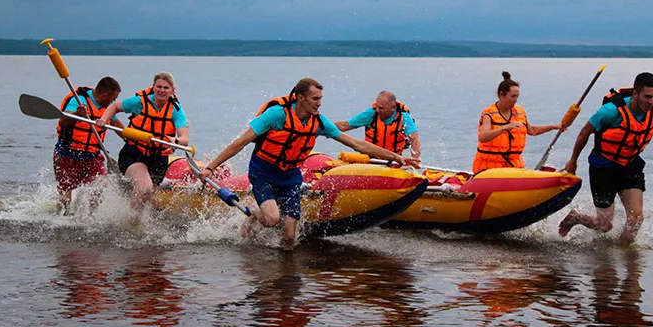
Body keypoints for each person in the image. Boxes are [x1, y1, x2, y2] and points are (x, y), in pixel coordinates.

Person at [198, 78, 421, 249]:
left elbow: (356, 144)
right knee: (273, 218)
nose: (319, 104)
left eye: (320, 100)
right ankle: (255, 213)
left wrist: (396, 157)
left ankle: (284, 279)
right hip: (263, 171)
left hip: (290, 175)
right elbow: (241, 143)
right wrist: (211, 167)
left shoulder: (318, 122)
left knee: (288, 236)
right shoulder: (277, 115)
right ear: (301, 98)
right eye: (315, 99)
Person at [558, 72, 653, 244]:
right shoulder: (611, 111)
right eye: (647, 96)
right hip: (603, 166)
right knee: (604, 225)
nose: (652, 102)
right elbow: (584, 133)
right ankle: (576, 217)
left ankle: (622, 255)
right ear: (635, 93)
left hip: (630, 165)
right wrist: (573, 161)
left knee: (636, 220)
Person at [96, 72, 189, 209]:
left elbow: (184, 139)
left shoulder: (176, 110)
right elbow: (115, 106)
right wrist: (104, 119)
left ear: (172, 91)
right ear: (153, 87)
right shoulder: (140, 102)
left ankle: (135, 218)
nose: (162, 90)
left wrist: (176, 140)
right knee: (144, 187)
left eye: (166, 88)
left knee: (148, 198)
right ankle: (130, 223)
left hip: (158, 160)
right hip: (134, 153)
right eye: (159, 87)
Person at [53, 76, 124, 211]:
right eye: (113, 98)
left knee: (99, 186)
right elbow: (63, 121)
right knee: (65, 192)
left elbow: (116, 125)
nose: (114, 102)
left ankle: (91, 216)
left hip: (92, 155)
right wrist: (77, 114)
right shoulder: (77, 100)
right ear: (104, 95)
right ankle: (62, 217)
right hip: (68, 153)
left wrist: (131, 138)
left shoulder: (107, 107)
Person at [472, 71, 563, 173]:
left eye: (517, 96)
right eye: (513, 96)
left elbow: (532, 130)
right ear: (501, 95)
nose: (515, 100)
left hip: (513, 167)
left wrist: (552, 127)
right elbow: (483, 137)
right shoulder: (489, 114)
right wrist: (505, 127)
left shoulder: (520, 112)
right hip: (489, 169)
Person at [333, 90, 421, 159]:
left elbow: (414, 140)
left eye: (381, 108)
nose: (378, 110)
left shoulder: (404, 118)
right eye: (377, 106)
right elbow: (345, 125)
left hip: (394, 160)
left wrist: (414, 159)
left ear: (393, 108)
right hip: (370, 159)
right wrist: (324, 127)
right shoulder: (371, 114)